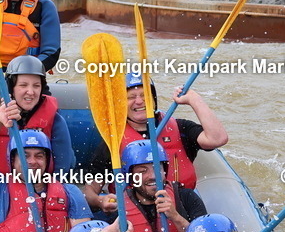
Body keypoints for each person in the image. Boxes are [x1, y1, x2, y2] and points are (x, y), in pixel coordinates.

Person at [84, 73, 228, 216]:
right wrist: (99, 201)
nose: (139, 101)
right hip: (134, 214)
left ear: (153, 100)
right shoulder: (112, 143)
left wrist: (194, 99)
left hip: (179, 207)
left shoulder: (181, 128)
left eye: (144, 95)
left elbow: (218, 139)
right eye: (131, 97)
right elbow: (90, 191)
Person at [119, 140, 207, 232]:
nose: (153, 176)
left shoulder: (186, 197)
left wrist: (175, 217)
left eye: (157, 169)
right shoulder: (119, 210)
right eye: (143, 171)